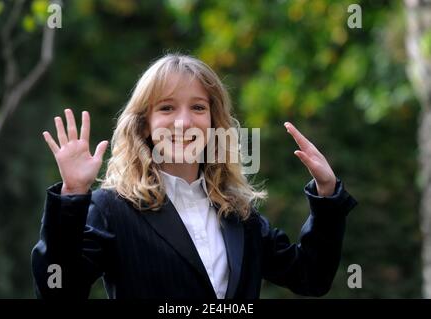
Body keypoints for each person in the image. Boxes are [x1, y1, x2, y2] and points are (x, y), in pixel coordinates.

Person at [31, 54, 357, 299]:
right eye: (167, 108)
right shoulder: (111, 209)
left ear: (214, 123)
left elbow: (311, 278)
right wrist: (73, 193)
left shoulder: (240, 215)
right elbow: (58, 291)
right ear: (144, 124)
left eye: (198, 108)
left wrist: (326, 192)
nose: (184, 123)